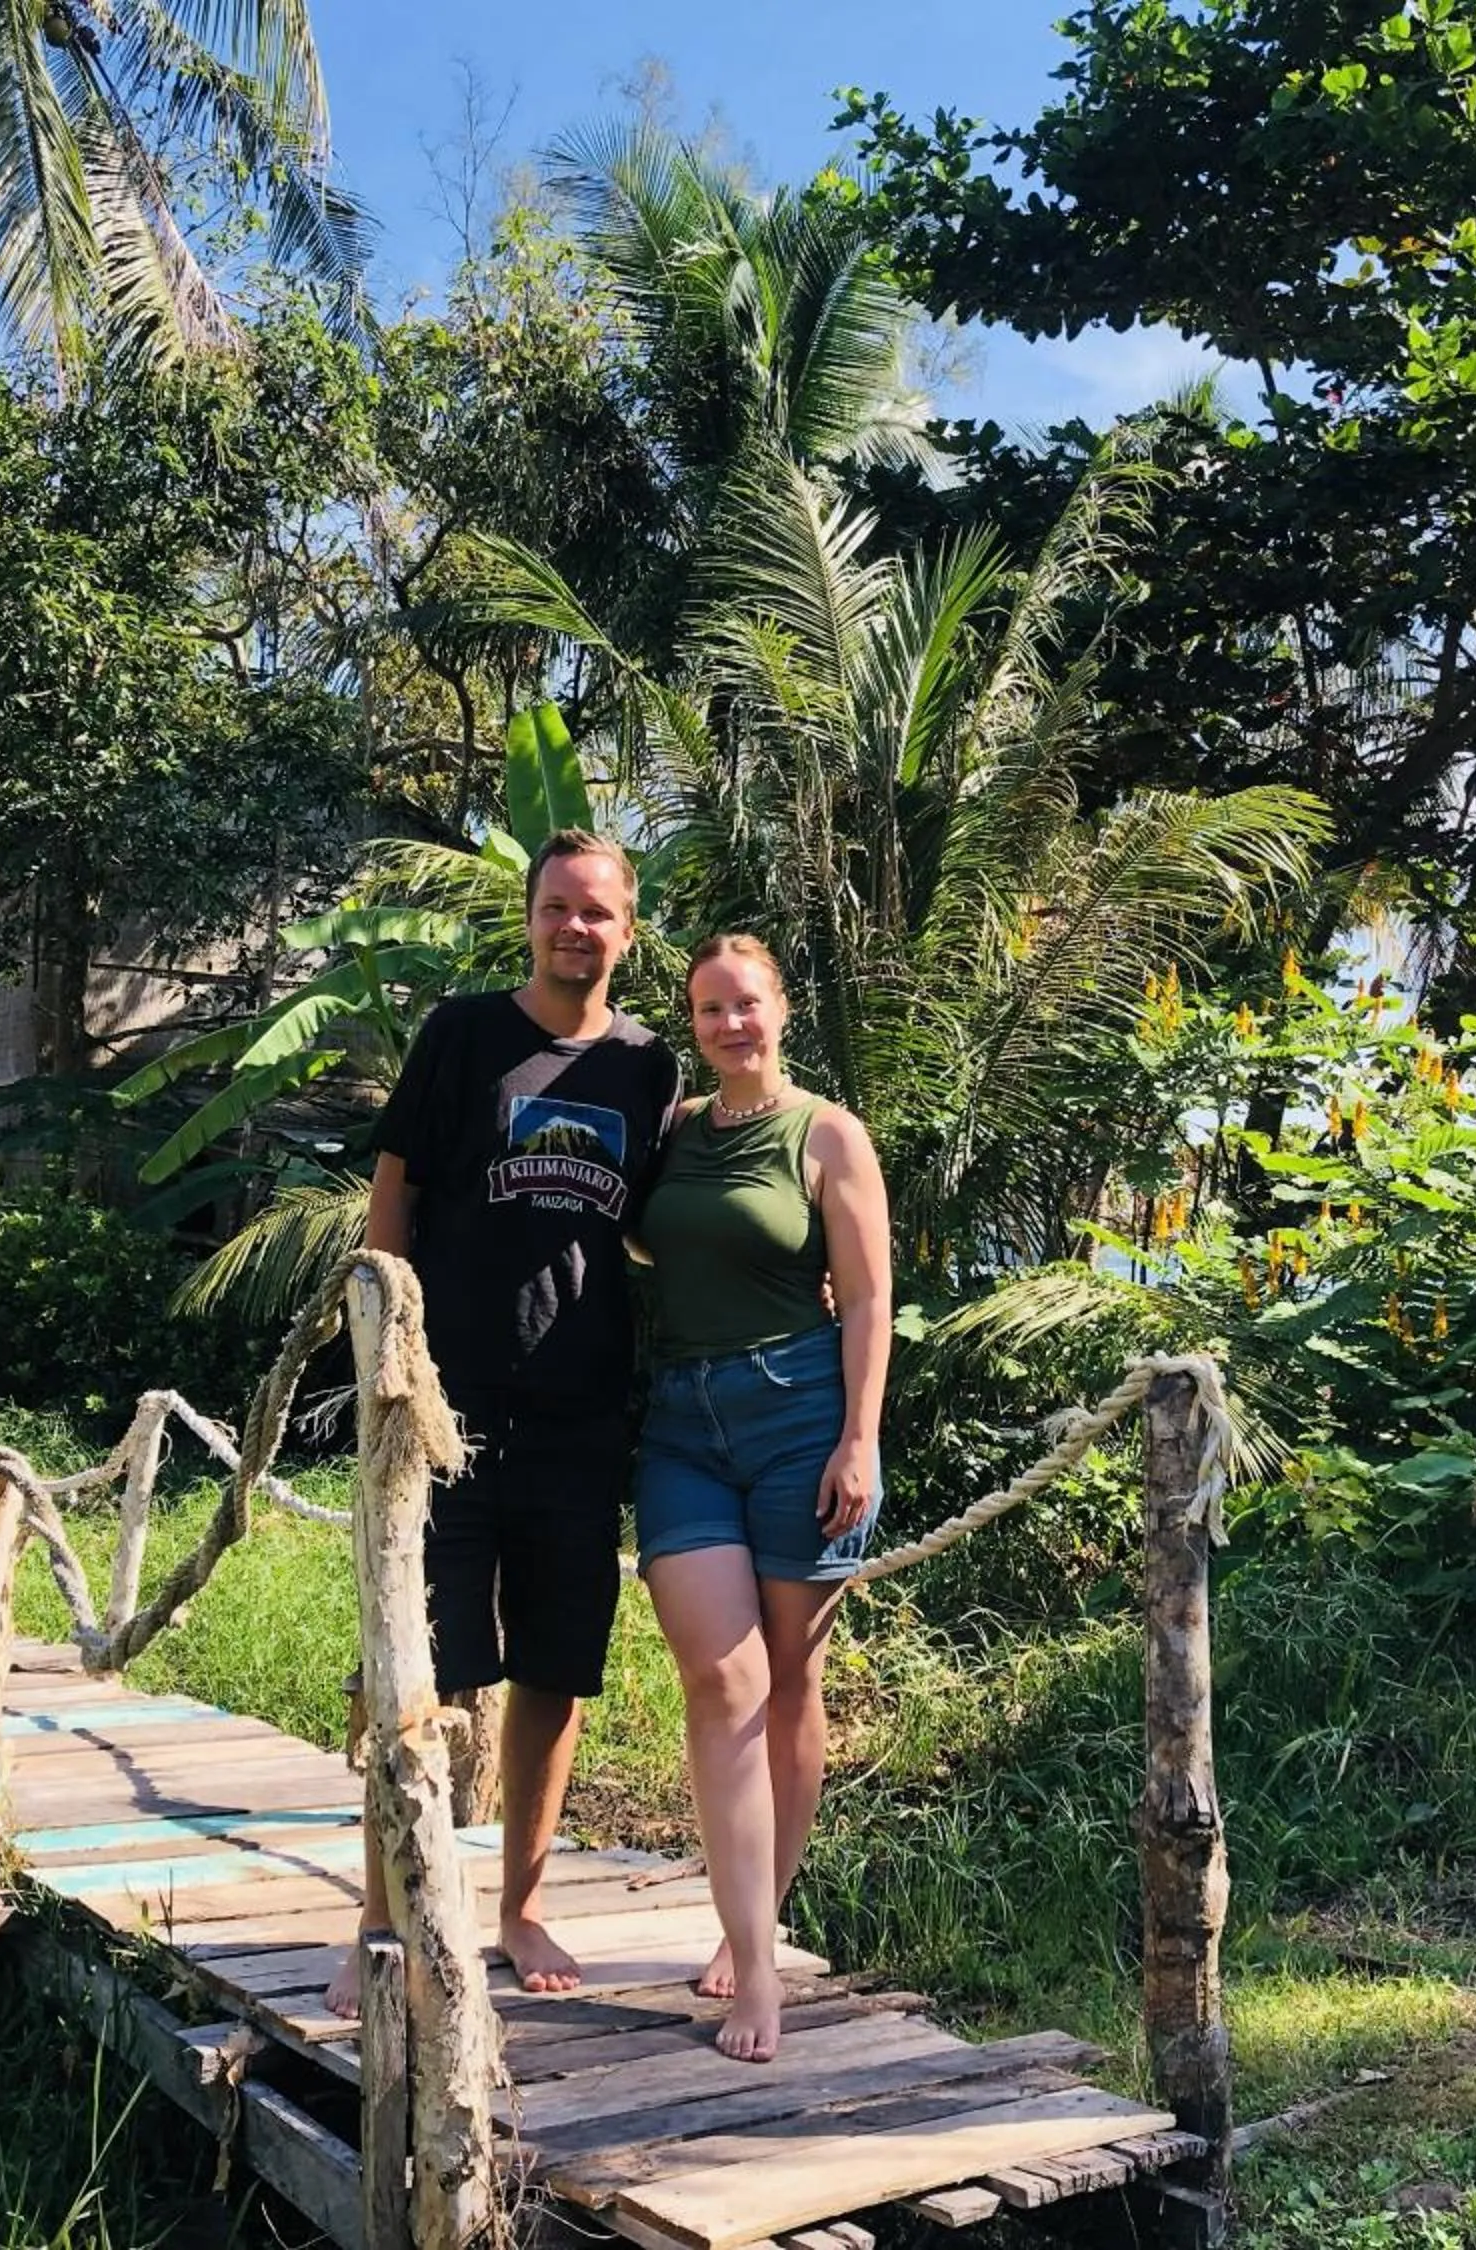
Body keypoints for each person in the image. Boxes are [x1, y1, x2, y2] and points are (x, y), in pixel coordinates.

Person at [338, 829, 682, 2003]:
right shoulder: (464, 1036)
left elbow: (654, 1224)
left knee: (554, 1669)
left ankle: (522, 1911)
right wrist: (387, 1359)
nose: (574, 928)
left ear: (627, 932)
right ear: (530, 918)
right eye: (557, 907)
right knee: (414, 1666)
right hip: (447, 1407)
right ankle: (385, 1915)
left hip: (584, 1414)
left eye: (598, 913)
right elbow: (398, 1192)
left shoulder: (649, 1067)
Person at [634, 933, 892, 2062]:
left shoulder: (828, 1133)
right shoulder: (677, 1131)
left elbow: (872, 1298)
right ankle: (754, 1966)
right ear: (690, 1023)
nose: (730, 1024)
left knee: (789, 1683)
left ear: (781, 1010)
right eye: (708, 1010)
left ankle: (755, 1938)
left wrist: (859, 1440)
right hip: (681, 1425)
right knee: (721, 1676)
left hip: (799, 1422)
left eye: (746, 1005)